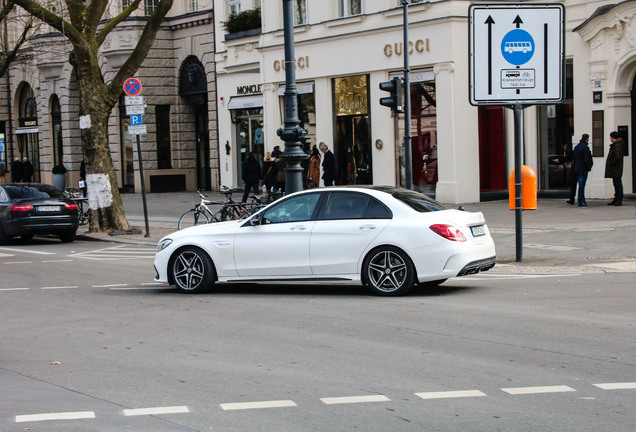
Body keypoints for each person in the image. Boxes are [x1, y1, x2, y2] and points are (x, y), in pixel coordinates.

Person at [572, 133, 593, 207]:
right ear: (587, 139)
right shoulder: (585, 148)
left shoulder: (576, 147)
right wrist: (589, 167)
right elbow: (587, 159)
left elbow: (574, 158)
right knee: (582, 185)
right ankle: (581, 201)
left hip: (577, 168)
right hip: (583, 168)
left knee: (580, 185)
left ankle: (580, 200)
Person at [605, 131, 625, 206]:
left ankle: (618, 199)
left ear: (613, 137)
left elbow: (618, 157)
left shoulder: (617, 146)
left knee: (617, 184)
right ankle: (616, 198)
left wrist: (611, 163)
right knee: (616, 184)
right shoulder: (616, 145)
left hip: (616, 168)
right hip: (615, 169)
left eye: (610, 137)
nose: (610, 138)